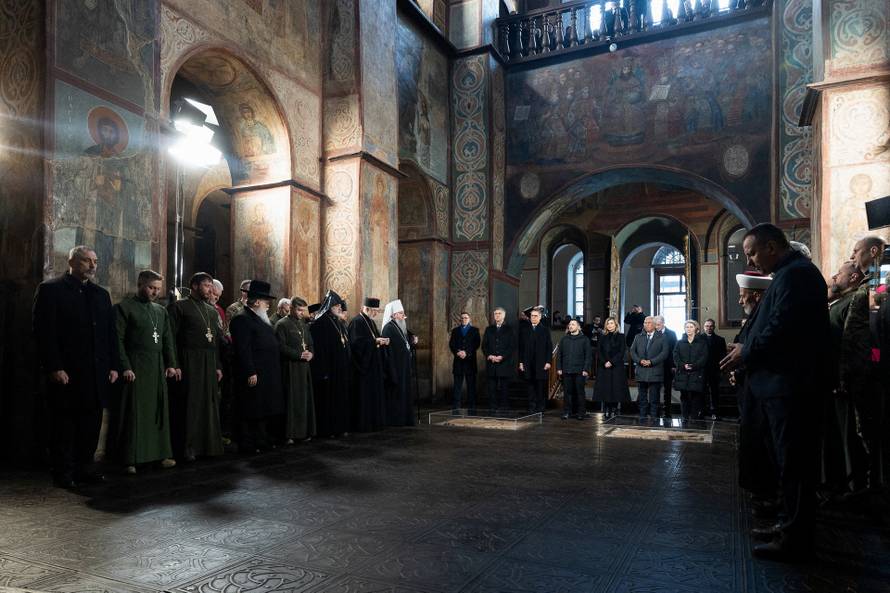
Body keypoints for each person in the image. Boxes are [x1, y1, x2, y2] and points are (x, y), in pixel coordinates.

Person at [721, 223, 829, 561]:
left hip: (790, 388)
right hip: (781, 386)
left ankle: (794, 538)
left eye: (752, 252)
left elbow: (782, 326)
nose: (750, 260)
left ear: (771, 246)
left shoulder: (797, 275)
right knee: (785, 464)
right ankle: (786, 526)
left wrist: (746, 352)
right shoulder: (790, 274)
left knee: (794, 464)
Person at [33, 246, 119, 488]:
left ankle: (85, 468)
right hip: (68, 372)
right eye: (86, 261)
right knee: (64, 425)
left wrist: (113, 365)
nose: (92, 266)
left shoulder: (101, 295)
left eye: (95, 261)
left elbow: (109, 334)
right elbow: (43, 332)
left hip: (96, 373)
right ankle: (63, 472)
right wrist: (54, 366)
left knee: (91, 425)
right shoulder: (51, 290)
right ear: (71, 261)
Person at [114, 270, 179, 474]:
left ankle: (160, 455)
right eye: (151, 288)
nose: (154, 292)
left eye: (158, 289)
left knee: (157, 411)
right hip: (136, 365)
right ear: (140, 284)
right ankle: (130, 459)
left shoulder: (161, 311)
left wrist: (172, 364)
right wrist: (125, 366)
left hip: (157, 366)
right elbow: (118, 340)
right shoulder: (124, 308)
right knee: (136, 412)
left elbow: (168, 340)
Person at [731, 271, 778, 515]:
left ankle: (771, 500)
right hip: (750, 387)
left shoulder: (766, 315)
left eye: (743, 296)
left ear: (757, 295)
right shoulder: (754, 317)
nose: (740, 301)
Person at [823, 261, 868, 495]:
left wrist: (844, 379)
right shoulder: (838, 302)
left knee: (849, 437)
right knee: (837, 437)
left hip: (844, 382)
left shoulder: (855, 301)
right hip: (832, 381)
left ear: (852, 278)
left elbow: (854, 343)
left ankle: (854, 488)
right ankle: (840, 483)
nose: (834, 277)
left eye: (839, 273)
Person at [168, 272, 224, 460]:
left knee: (208, 404)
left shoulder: (211, 310)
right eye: (206, 285)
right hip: (188, 361)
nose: (211, 289)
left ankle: (208, 446)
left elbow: (215, 341)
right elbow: (171, 339)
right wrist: (174, 364)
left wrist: (217, 366)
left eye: (211, 285)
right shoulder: (179, 307)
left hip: (208, 362)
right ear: (194, 286)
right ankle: (187, 448)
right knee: (190, 406)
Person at [229, 280, 283, 453]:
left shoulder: (260, 319)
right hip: (253, 373)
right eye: (266, 302)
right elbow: (242, 349)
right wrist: (250, 371)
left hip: (266, 373)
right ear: (257, 302)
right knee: (249, 409)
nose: (268, 305)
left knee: (262, 408)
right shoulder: (241, 319)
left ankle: (261, 439)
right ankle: (247, 443)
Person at [309, 290, 351, 437]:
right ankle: (328, 430)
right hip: (329, 370)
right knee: (328, 401)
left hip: (340, 369)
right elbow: (319, 350)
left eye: (339, 305)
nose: (339, 308)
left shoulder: (336, 321)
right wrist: (323, 371)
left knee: (339, 400)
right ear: (329, 305)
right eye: (336, 305)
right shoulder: (320, 322)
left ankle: (339, 427)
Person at [276, 297, 316, 444]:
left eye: (303, 310)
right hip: (291, 368)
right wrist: (298, 354)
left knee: (304, 400)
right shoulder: (282, 324)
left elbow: (310, 344)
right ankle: (290, 434)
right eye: (299, 310)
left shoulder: (303, 324)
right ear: (291, 308)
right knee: (292, 401)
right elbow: (280, 346)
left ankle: (304, 431)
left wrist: (311, 354)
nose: (301, 313)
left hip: (304, 367)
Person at [347, 297, 388, 432]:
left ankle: (373, 422)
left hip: (372, 366)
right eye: (374, 311)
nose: (376, 313)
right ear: (367, 309)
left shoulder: (369, 321)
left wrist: (380, 341)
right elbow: (356, 345)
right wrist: (375, 341)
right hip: (362, 369)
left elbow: (372, 339)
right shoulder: (357, 322)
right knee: (363, 398)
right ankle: (363, 424)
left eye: (377, 311)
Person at [382, 299, 418, 426]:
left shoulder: (399, 326)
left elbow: (405, 341)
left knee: (405, 394)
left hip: (404, 368)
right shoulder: (388, 328)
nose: (404, 316)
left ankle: (405, 418)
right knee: (397, 395)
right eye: (401, 313)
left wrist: (412, 340)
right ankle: (396, 420)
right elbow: (387, 352)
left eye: (403, 313)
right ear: (394, 315)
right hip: (395, 369)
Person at [630, 316, 666, 420]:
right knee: (642, 396)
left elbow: (664, 353)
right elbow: (632, 351)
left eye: (649, 322)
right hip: (641, 370)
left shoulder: (662, 337)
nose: (646, 324)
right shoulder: (638, 336)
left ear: (655, 325)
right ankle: (643, 416)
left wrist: (651, 362)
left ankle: (654, 417)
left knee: (654, 396)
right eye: (645, 322)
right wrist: (640, 361)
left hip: (655, 370)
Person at [593, 317, 630, 418]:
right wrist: (605, 362)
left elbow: (621, 351)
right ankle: (606, 409)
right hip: (604, 366)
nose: (609, 325)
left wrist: (611, 361)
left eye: (611, 323)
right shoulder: (602, 336)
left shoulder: (621, 336)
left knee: (615, 388)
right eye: (608, 323)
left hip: (616, 366)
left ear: (616, 325)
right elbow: (599, 351)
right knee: (605, 388)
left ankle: (613, 408)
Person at [519, 308, 553, 414]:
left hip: (541, 363)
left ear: (540, 317)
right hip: (528, 363)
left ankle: (540, 407)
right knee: (530, 386)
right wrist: (521, 362)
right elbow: (521, 347)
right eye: (531, 316)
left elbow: (549, 347)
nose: (533, 318)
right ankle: (531, 407)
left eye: (535, 316)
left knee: (540, 386)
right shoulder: (525, 330)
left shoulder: (545, 330)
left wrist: (548, 362)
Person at [483, 307, 516, 414]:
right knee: (491, 387)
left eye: (499, 313)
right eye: (495, 313)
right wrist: (489, 356)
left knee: (504, 387)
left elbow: (512, 346)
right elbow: (484, 346)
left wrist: (502, 357)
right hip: (491, 363)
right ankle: (493, 406)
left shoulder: (509, 329)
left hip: (504, 363)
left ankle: (504, 406)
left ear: (504, 315)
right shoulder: (489, 329)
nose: (497, 315)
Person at [673, 319, 708, 421]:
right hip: (683, 373)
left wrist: (694, 366)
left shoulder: (702, 343)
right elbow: (675, 356)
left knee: (695, 397)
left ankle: (694, 417)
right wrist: (683, 365)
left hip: (696, 373)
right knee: (684, 397)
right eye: (687, 327)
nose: (689, 329)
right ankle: (684, 417)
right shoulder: (679, 343)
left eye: (691, 327)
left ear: (696, 329)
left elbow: (704, 357)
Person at [557, 319, 592, 420]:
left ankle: (581, 413)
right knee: (567, 393)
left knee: (580, 393)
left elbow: (588, 356)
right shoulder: (564, 339)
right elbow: (560, 355)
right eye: (569, 324)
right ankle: (567, 412)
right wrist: (559, 368)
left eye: (573, 324)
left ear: (578, 327)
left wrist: (585, 369)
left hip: (580, 371)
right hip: (567, 370)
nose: (570, 326)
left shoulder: (584, 339)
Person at [449, 312, 481, 413]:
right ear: (460, 319)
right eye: (462, 318)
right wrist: (458, 352)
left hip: (470, 362)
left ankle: (472, 407)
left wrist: (466, 353)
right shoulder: (455, 331)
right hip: (458, 361)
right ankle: (456, 407)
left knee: (471, 386)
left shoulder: (475, 330)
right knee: (457, 386)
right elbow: (451, 344)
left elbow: (476, 344)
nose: (464, 319)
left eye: (466, 318)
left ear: (469, 319)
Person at [702, 319, 726, 420]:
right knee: (701, 391)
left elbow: (723, 356)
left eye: (711, 326)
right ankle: (702, 411)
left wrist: (721, 370)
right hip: (702, 369)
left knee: (714, 392)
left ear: (714, 327)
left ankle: (714, 412)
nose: (709, 328)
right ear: (704, 327)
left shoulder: (720, 339)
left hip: (714, 370)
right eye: (707, 326)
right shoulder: (699, 338)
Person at [655, 315, 678, 417]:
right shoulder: (653, 333)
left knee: (667, 390)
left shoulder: (671, 334)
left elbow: (675, 351)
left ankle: (667, 411)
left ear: (663, 323)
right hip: (655, 366)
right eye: (655, 324)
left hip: (668, 366)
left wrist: (673, 365)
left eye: (659, 324)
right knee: (655, 389)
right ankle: (655, 411)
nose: (657, 326)